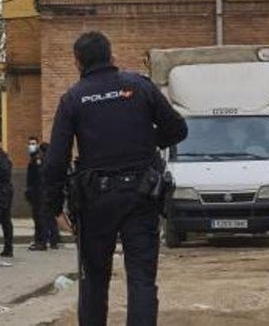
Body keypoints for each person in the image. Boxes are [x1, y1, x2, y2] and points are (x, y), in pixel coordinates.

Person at [44, 31, 187, 326]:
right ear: (112, 56)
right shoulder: (139, 87)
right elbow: (178, 129)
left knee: (94, 281)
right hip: (142, 196)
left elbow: (55, 158)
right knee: (142, 280)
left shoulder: (73, 98)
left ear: (77, 62)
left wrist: (55, 207)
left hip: (95, 202)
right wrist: (148, 141)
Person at [26, 138, 60, 251]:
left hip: (40, 194)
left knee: (41, 218)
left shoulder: (41, 161)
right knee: (49, 218)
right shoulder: (50, 161)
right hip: (47, 193)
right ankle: (53, 240)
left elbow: (37, 178)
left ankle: (41, 241)